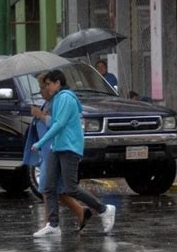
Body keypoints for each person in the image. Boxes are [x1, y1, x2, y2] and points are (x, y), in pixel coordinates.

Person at [31, 70, 116, 237]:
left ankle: (104, 209)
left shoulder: (65, 98)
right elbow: (55, 122)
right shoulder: (57, 99)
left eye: (48, 84)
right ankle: (53, 225)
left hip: (69, 148)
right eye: (45, 85)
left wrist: (40, 143)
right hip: (58, 147)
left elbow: (59, 124)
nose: (47, 88)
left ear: (57, 83)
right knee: (48, 186)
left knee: (71, 188)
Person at [24, 73, 92, 231]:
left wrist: (40, 116)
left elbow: (57, 124)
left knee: (58, 188)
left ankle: (94, 210)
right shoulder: (48, 103)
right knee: (51, 188)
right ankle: (55, 222)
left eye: (44, 86)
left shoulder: (60, 100)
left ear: (55, 85)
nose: (42, 90)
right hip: (50, 150)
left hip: (56, 148)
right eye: (42, 87)